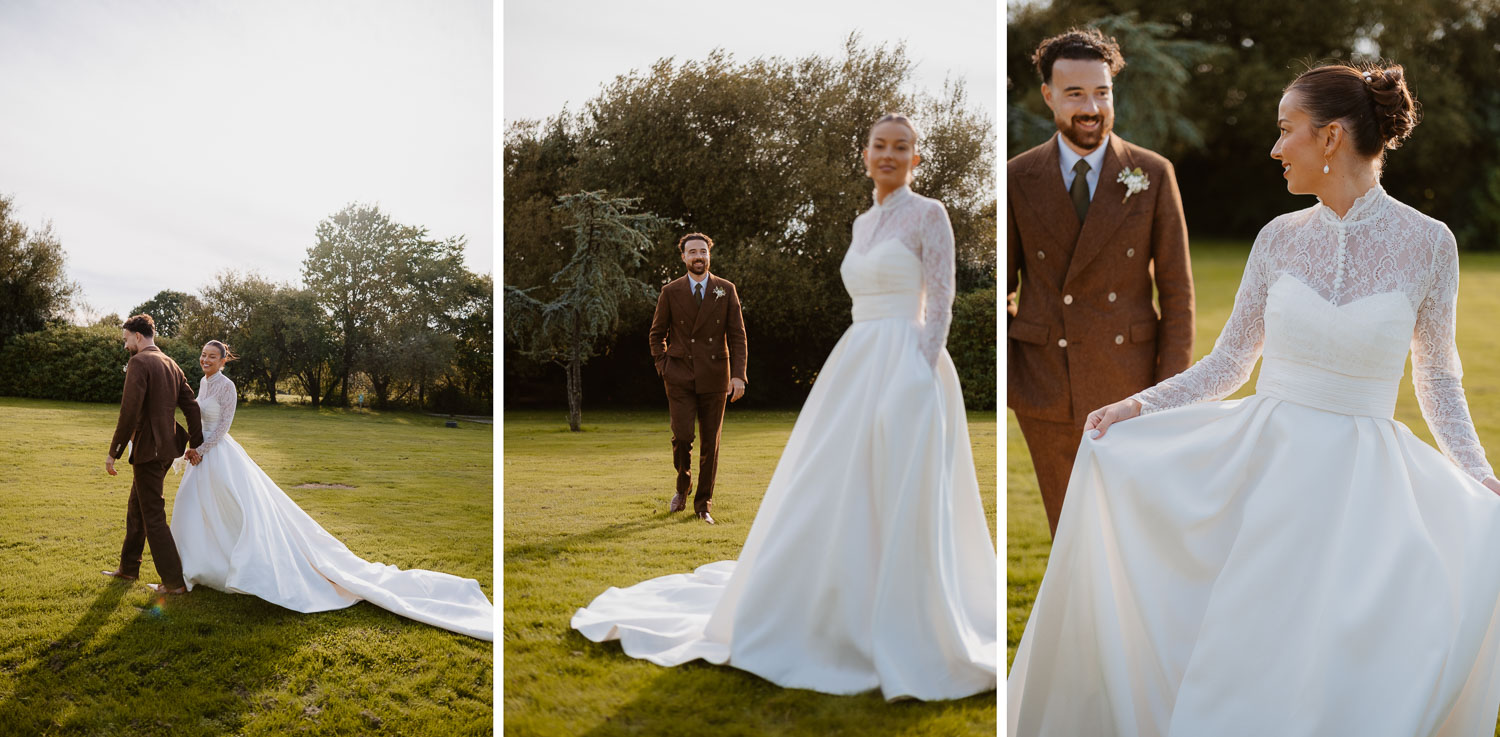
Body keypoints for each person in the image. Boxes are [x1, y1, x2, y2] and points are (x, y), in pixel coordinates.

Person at [1008, 62, 1500, 735]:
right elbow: (1231, 361)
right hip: (1265, 472)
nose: (1274, 148)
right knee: (1247, 643)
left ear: (1330, 138)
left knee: (1341, 656)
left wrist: (1477, 474)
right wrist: (1139, 408)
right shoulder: (1278, 238)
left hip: (1364, 487)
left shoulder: (1429, 244)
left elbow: (1438, 377)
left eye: (1284, 130)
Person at [572, 114, 997, 701]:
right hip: (857, 360)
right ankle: (835, 600)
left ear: (915, 158)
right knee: (832, 482)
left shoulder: (931, 215)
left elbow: (943, 298)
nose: (890, 155)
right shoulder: (863, 221)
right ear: (867, 155)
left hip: (910, 361)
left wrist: (919, 370)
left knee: (905, 482)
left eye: (903, 147)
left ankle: (909, 615)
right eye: (880, 146)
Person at [168, 339, 493, 641]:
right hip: (200, 455)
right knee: (195, 509)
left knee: (235, 509)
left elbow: (223, 426)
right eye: (203, 355)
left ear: (224, 360)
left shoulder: (227, 386)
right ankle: (198, 566)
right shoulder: (204, 382)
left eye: (212, 356)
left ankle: (234, 567)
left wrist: (202, 449)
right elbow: (199, 416)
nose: (205, 360)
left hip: (217, 454)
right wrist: (191, 447)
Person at [1007, 28, 1195, 537]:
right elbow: (1002, 289)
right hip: (1046, 389)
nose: (1091, 107)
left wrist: (1165, 398)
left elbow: (1178, 298)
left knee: (1135, 535)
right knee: (1069, 533)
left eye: (1102, 92)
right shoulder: (1017, 177)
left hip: (1130, 388)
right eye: (1075, 94)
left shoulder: (1153, 174)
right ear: (1048, 95)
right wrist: (1016, 379)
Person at [648, 232, 749, 524]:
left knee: (710, 444)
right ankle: (683, 485)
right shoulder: (670, 291)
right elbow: (656, 335)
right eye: (692, 252)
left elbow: (738, 336)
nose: (698, 257)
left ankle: (703, 505)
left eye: (702, 252)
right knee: (682, 437)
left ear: (709, 255)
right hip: (679, 376)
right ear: (683, 257)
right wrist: (663, 365)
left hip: (716, 376)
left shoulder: (726, 289)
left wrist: (739, 376)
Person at [101, 313, 204, 595]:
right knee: (138, 509)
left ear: (137, 336)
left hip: (149, 450)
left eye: (126, 340)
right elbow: (192, 407)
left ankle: (174, 583)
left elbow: (129, 411)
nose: (125, 347)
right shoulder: (171, 364)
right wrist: (195, 442)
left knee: (153, 515)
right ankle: (128, 568)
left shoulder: (140, 362)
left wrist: (114, 452)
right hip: (166, 449)